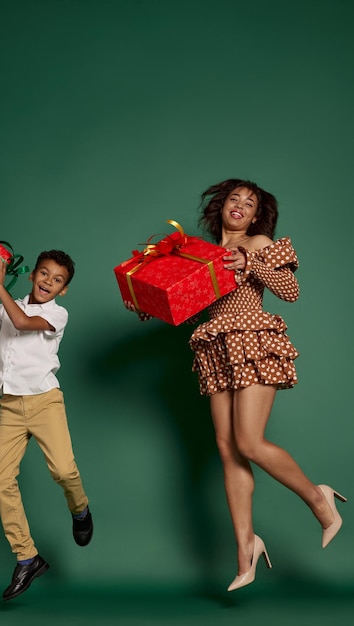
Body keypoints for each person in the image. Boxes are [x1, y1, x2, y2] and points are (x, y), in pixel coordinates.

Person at [125, 178, 346, 591]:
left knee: (249, 441)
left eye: (250, 202)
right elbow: (193, 311)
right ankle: (246, 548)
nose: (241, 205)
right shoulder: (201, 256)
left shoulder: (259, 243)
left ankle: (320, 499)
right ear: (221, 207)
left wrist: (251, 265)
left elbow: (290, 291)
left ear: (257, 214)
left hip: (253, 341)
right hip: (216, 348)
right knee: (228, 450)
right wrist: (148, 303)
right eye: (234, 199)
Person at [0, 249, 93, 601]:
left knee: (64, 470)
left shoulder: (57, 314)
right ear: (32, 275)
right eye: (44, 274)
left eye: (57, 280)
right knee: (0, 480)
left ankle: (79, 509)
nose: (49, 281)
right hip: (10, 407)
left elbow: (22, 322)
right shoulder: (6, 306)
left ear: (63, 289)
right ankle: (27, 557)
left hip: (45, 402)